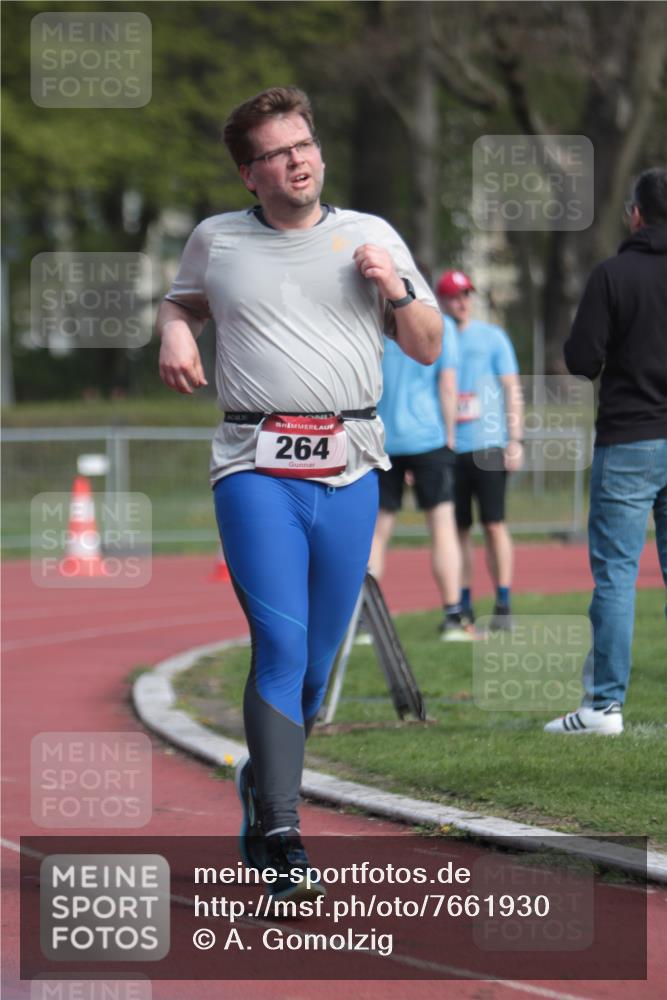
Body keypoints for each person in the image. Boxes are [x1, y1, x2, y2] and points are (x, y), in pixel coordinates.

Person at [156, 86, 442, 897]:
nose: (299, 160)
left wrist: (393, 285)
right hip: (255, 464)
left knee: (315, 670)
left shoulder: (369, 235)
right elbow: (182, 300)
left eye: (304, 144)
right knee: (278, 648)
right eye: (278, 153)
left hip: (350, 464)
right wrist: (176, 329)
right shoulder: (218, 240)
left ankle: (262, 782)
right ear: (251, 174)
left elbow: (425, 345)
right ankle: (282, 834)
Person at [545, 167, 667, 735]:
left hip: (630, 438)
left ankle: (603, 707)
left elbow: (581, 360)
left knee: (616, 575)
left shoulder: (614, 275)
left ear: (636, 215)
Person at [369, 301, 470, 640]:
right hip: (428, 438)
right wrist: (450, 437)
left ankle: (364, 621)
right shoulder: (439, 327)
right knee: (442, 527)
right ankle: (453, 616)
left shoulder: (376, 326)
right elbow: (447, 385)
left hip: (383, 438)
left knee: (377, 533)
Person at [436, 270, 524, 632]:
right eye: (455, 295)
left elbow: (511, 388)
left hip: (488, 445)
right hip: (449, 447)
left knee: (494, 523)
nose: (463, 301)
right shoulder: (435, 337)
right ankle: (464, 604)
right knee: (457, 531)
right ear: (442, 300)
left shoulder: (492, 337)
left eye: (467, 294)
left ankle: (503, 603)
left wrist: (515, 439)